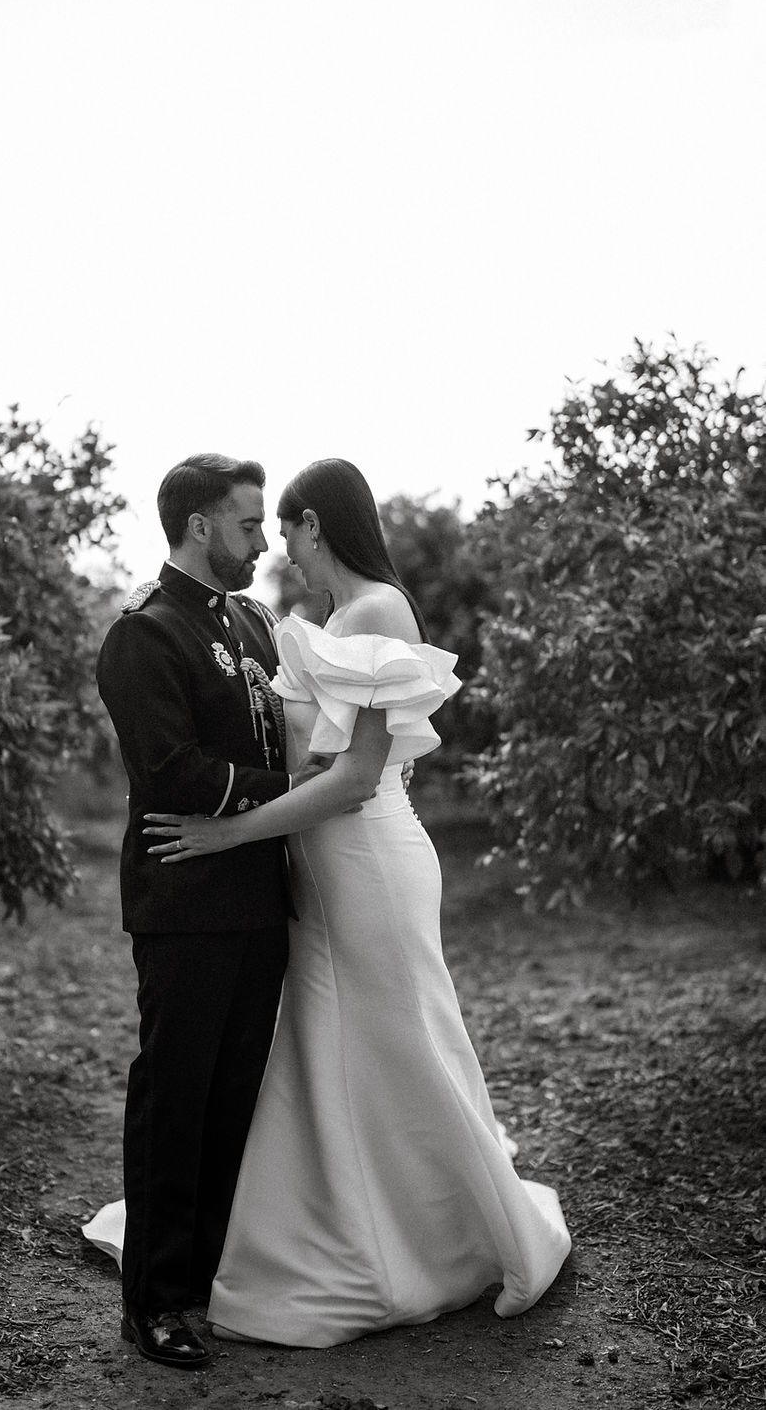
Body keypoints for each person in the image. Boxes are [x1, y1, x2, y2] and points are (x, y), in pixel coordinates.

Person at [138, 457, 572, 1349]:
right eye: (258, 529)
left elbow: (355, 779)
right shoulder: (325, 621)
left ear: (316, 525)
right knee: (336, 1048)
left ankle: (447, 1233)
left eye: (283, 530)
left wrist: (228, 833)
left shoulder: (376, 613)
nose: (279, 550)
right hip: (322, 869)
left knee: (402, 1041)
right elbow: (300, 761)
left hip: (367, 859)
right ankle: (339, 1223)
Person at [90, 454, 324, 1370]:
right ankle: (152, 1303)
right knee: (175, 1101)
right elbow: (172, 773)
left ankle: (202, 1284)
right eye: (248, 523)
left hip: (260, 897)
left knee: (231, 1103)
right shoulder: (143, 636)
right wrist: (296, 790)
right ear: (199, 526)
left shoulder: (255, 623)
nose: (263, 540)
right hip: (184, 902)